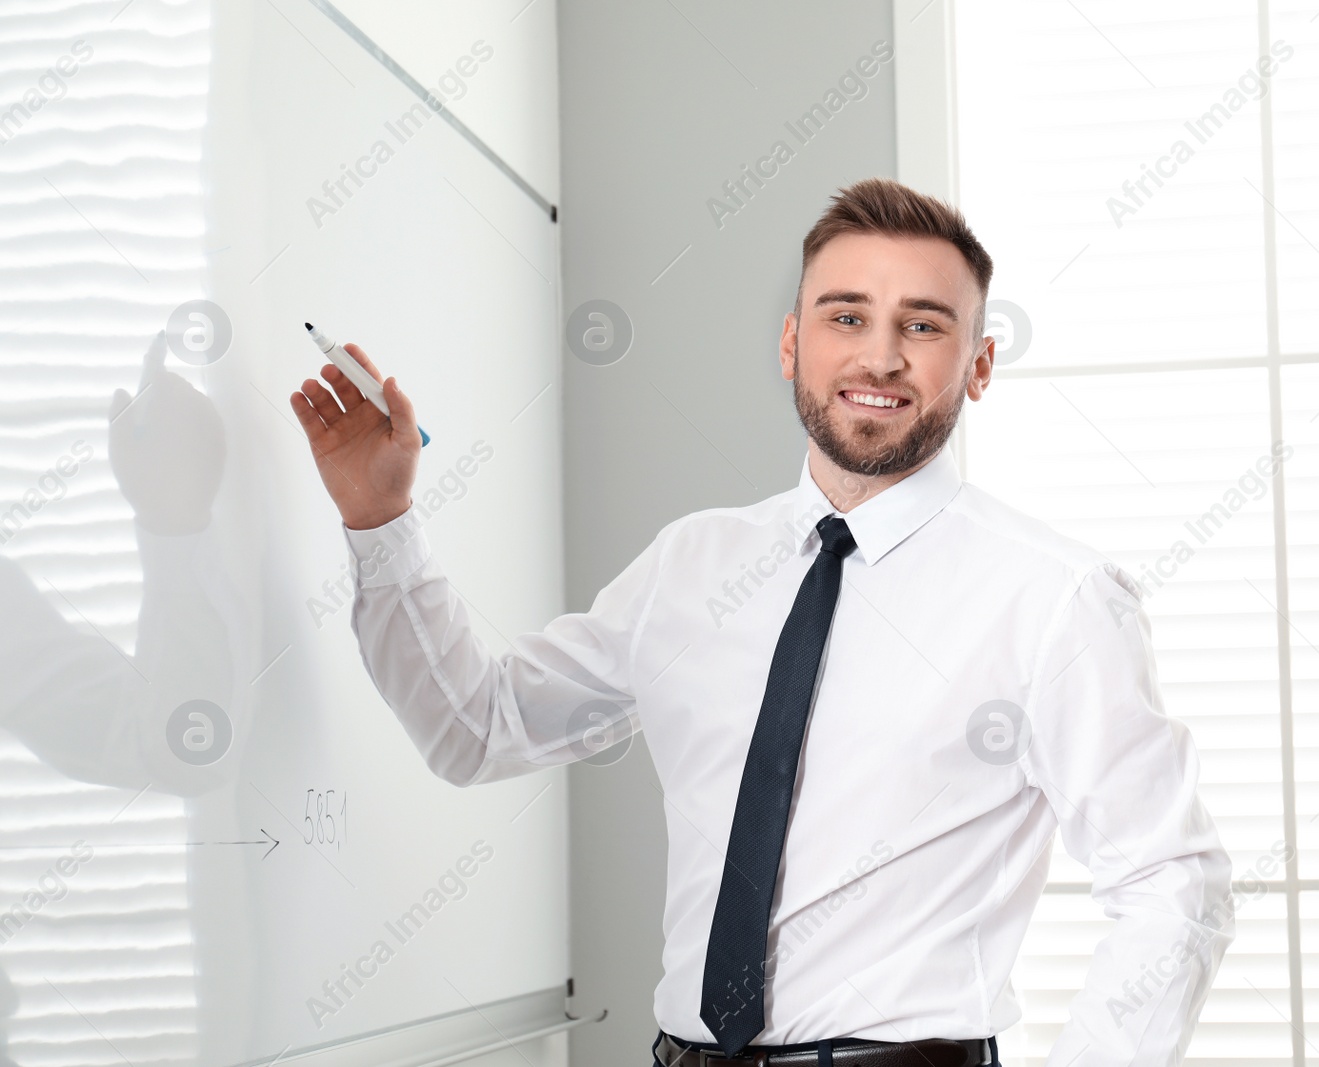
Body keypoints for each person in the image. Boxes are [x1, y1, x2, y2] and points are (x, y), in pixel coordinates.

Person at [288, 177, 1234, 1067]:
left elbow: (1173, 884)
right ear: (791, 345)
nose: (880, 354)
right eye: (847, 315)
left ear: (979, 365)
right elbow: (476, 729)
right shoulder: (691, 565)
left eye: (925, 325)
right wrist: (381, 519)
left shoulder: (1054, 597)